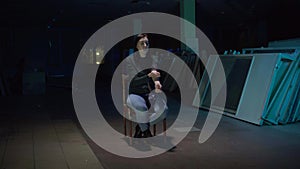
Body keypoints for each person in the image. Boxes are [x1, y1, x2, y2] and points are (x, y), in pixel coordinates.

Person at [125, 33, 167, 138]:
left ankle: (141, 127)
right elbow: (133, 81)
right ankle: (146, 131)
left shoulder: (152, 58)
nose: (145, 46)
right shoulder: (130, 60)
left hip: (150, 94)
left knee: (164, 110)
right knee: (141, 108)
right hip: (135, 94)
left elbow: (154, 71)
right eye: (142, 43)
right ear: (136, 46)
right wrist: (149, 76)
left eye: (147, 43)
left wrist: (157, 81)